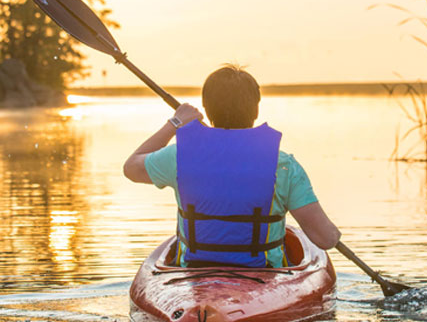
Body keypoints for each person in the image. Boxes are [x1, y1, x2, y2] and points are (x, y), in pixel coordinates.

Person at [123, 65, 341, 268]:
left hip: (193, 277)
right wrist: (335, 234)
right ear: (255, 110)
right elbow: (325, 238)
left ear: (207, 111)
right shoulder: (283, 165)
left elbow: (131, 167)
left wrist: (175, 123)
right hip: (265, 277)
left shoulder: (178, 156)